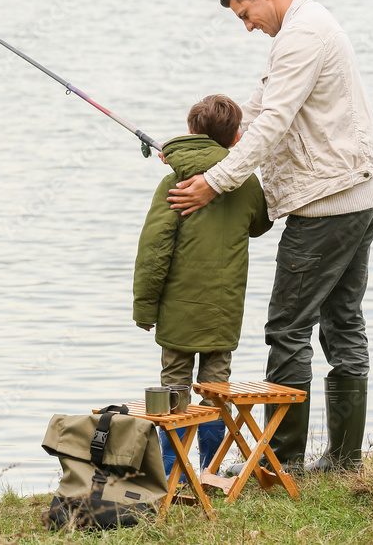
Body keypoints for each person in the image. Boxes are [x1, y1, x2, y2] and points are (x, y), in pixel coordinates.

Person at [167, 0, 373, 472]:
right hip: (361, 194)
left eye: (246, 14)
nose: (248, 27)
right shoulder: (301, 28)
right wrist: (202, 149)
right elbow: (257, 113)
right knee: (343, 323)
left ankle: (280, 464)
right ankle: (344, 462)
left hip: (327, 204)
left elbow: (271, 128)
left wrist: (214, 183)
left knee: (288, 329)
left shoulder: (302, 36)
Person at [134, 94, 273, 477]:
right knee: (215, 389)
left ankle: (170, 472)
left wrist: (145, 308)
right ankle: (210, 470)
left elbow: (154, 250)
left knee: (174, 389)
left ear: (192, 131)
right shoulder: (243, 181)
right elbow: (261, 224)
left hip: (177, 312)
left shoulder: (174, 181)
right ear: (233, 139)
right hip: (222, 311)